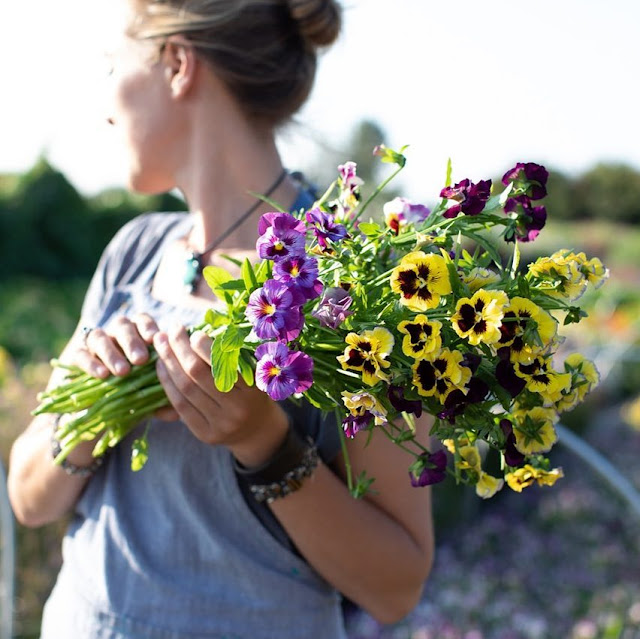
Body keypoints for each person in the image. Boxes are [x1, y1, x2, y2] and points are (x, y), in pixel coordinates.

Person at [8, 0, 435, 637]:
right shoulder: (134, 250)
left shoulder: (356, 283)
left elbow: (396, 587)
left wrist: (264, 442)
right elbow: (28, 497)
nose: (104, 105)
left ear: (177, 64)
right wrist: (97, 392)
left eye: (111, 69)